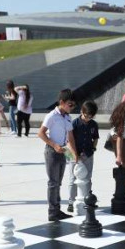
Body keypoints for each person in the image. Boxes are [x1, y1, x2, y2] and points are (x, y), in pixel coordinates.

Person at [39, 89, 76, 221]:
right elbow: (41, 133)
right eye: (70, 104)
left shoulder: (67, 117)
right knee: (53, 183)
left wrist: (74, 154)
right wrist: (54, 145)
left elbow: (70, 137)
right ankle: (52, 212)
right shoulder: (51, 116)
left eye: (73, 105)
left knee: (58, 182)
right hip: (52, 151)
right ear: (62, 102)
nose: (72, 107)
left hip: (63, 151)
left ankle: (57, 209)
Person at [67, 100, 99, 215]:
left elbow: (95, 138)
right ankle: (71, 202)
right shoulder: (74, 123)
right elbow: (69, 141)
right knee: (72, 179)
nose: (88, 118)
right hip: (73, 154)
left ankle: (88, 198)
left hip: (88, 154)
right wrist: (75, 154)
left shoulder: (94, 124)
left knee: (88, 177)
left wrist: (93, 149)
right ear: (82, 112)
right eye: (86, 116)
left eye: (91, 116)